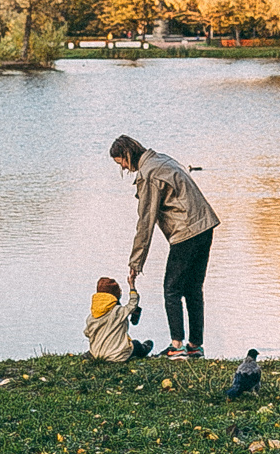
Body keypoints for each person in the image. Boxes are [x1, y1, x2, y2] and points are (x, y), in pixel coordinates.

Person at [109, 134, 219, 360]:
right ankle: (195, 346)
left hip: (186, 232)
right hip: (205, 226)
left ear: (127, 155)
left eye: (120, 161)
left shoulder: (148, 175)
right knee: (193, 289)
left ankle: (177, 347)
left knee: (172, 289)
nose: (122, 167)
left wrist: (135, 264)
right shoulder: (162, 160)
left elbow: (145, 222)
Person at [85, 275, 153, 363]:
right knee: (136, 344)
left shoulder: (92, 316)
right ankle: (144, 349)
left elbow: (87, 333)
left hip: (97, 354)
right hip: (117, 356)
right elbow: (133, 304)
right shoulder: (119, 312)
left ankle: (94, 354)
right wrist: (132, 286)